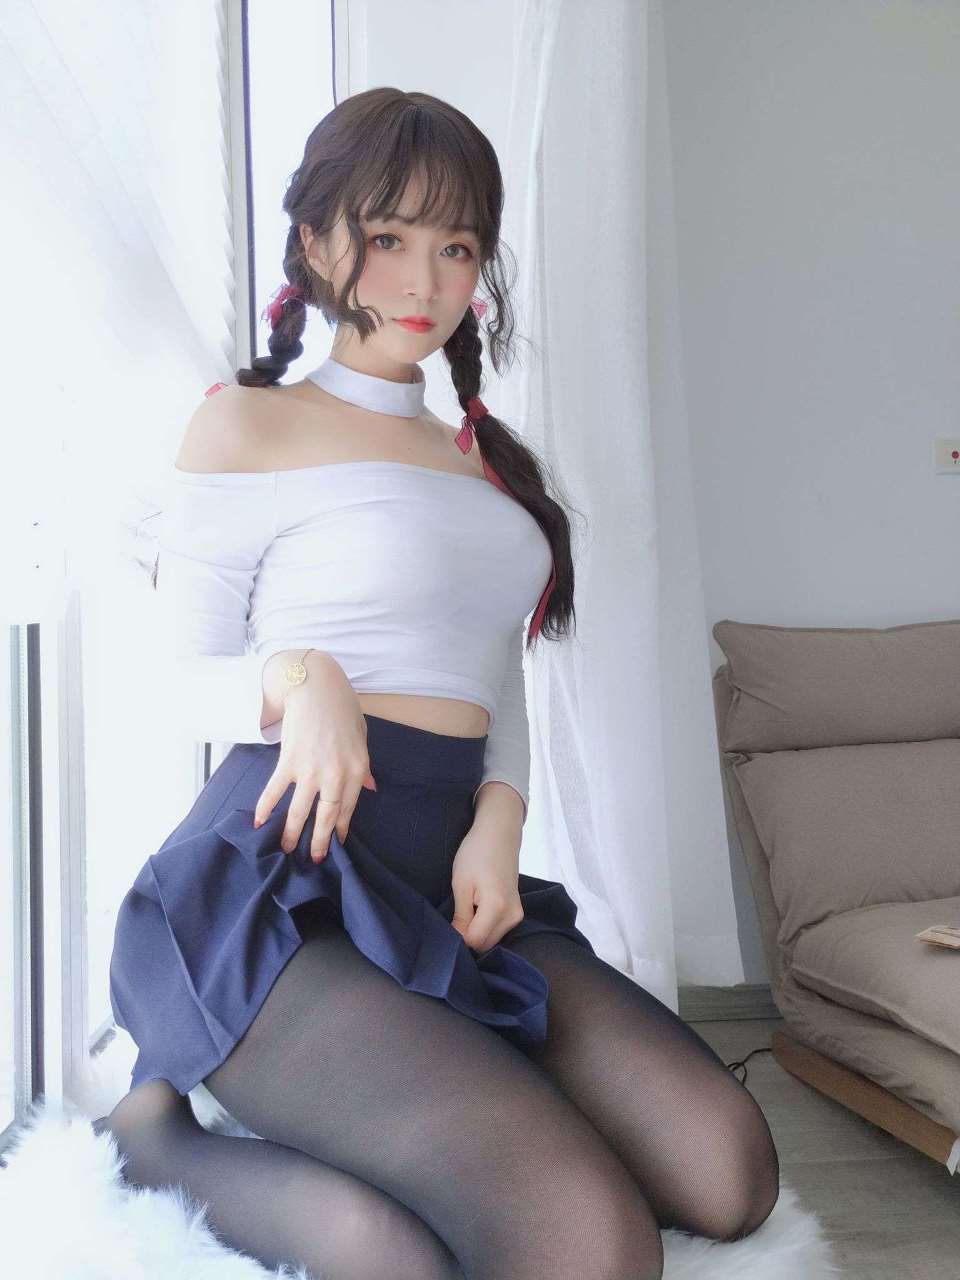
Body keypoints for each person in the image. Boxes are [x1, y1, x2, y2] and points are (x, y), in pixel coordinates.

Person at [96, 87, 779, 1280]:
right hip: (277, 886)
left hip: (448, 872)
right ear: (318, 243)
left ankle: (422, 1091)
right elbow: (158, 683)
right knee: (572, 1245)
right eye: (388, 235)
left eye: (457, 245)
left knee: (728, 1171)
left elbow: (493, 666)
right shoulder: (247, 425)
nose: (425, 278)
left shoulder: (480, 456)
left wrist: (501, 817)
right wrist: (301, 676)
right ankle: (152, 1136)